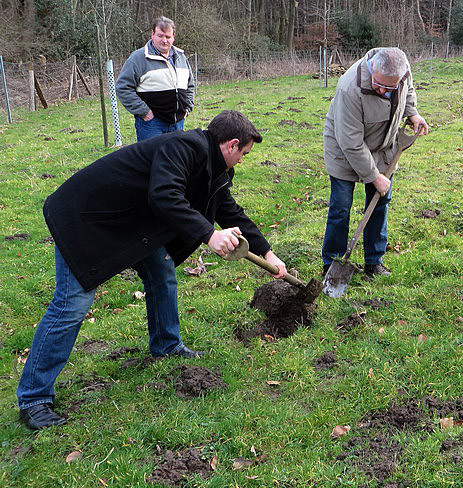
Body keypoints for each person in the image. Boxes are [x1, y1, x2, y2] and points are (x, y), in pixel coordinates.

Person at [17, 110, 288, 430]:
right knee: (71, 304)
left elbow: (230, 212)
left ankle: (166, 344)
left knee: (161, 272)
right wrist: (209, 235)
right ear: (231, 145)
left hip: (132, 227)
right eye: (244, 153)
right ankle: (34, 398)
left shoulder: (216, 171)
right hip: (86, 219)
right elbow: (164, 195)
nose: (243, 159)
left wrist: (267, 252)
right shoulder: (184, 148)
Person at [322, 47, 428, 278]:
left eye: (389, 87)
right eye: (378, 85)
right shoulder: (350, 87)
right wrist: (374, 176)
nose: (382, 90)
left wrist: (413, 113)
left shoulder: (402, 70)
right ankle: (330, 263)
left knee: (380, 202)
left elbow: (407, 90)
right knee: (340, 207)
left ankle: (374, 262)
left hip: (383, 146)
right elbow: (350, 142)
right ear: (372, 69)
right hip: (344, 148)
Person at [117, 16, 195, 141]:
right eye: (160, 36)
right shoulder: (138, 58)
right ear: (152, 34)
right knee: (151, 159)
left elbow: (190, 85)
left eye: (168, 37)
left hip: (178, 123)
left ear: (173, 36)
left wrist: (188, 107)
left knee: (175, 159)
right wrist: (145, 112)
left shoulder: (181, 57)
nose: (164, 40)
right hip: (152, 124)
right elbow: (123, 87)